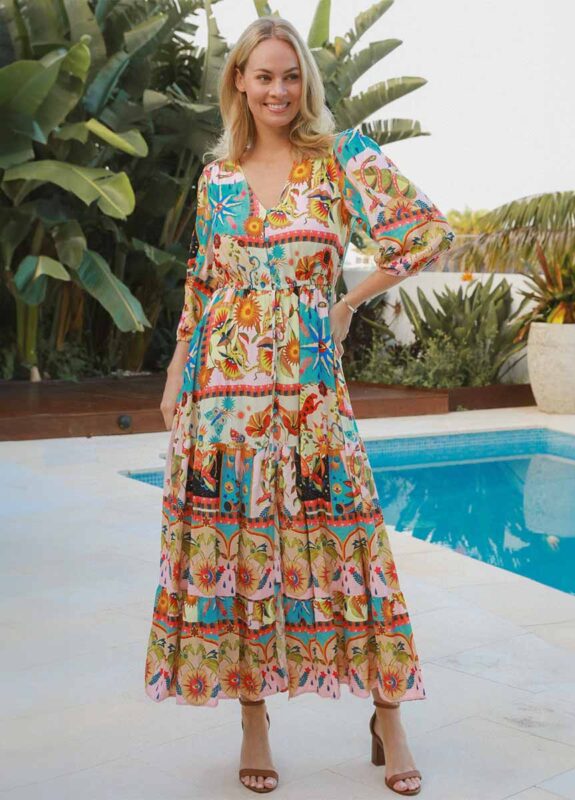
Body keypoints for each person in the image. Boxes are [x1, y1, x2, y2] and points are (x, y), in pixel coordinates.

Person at [145, 14, 455, 797]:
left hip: (311, 395)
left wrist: (350, 301)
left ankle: (389, 717)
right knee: (238, 548)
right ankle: (254, 720)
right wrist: (180, 366)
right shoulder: (217, 179)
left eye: (290, 76)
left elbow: (423, 235)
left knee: (350, 545)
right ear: (239, 83)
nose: (277, 90)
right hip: (223, 395)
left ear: (303, 84)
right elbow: (201, 282)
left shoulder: (340, 158)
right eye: (263, 76)